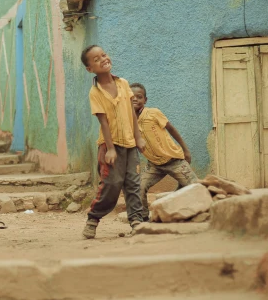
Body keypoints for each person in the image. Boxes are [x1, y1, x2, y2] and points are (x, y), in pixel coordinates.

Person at [81, 45, 146, 239]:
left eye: (104, 55)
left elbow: (132, 114)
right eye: (96, 59)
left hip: (130, 144)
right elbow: (103, 121)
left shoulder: (124, 84)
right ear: (90, 69)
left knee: (134, 183)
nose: (102, 59)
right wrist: (110, 149)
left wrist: (138, 137)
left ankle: (136, 221)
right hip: (110, 146)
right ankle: (93, 219)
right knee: (111, 184)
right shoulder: (95, 92)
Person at [130, 82, 198, 221]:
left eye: (139, 96)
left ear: (145, 100)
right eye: (132, 97)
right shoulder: (127, 121)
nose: (135, 99)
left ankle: (195, 212)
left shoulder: (153, 113)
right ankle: (144, 219)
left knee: (195, 188)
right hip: (154, 164)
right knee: (138, 187)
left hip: (174, 160)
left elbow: (171, 129)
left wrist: (186, 150)